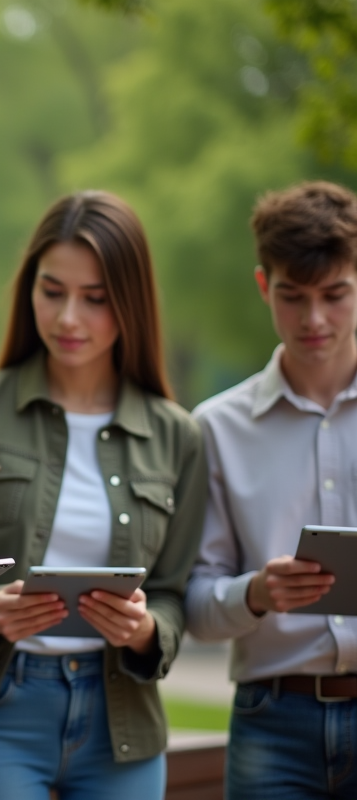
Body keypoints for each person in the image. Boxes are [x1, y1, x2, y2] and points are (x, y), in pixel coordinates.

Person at [0, 191, 208, 800]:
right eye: (52, 291)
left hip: (122, 721)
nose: (68, 318)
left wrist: (144, 630)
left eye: (96, 298)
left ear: (129, 301)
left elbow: (174, 592)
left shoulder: (176, 435)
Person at [186, 181, 357, 800]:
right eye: (294, 296)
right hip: (272, 724)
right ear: (264, 287)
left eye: (335, 295)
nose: (314, 319)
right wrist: (257, 593)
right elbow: (197, 610)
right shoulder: (216, 429)